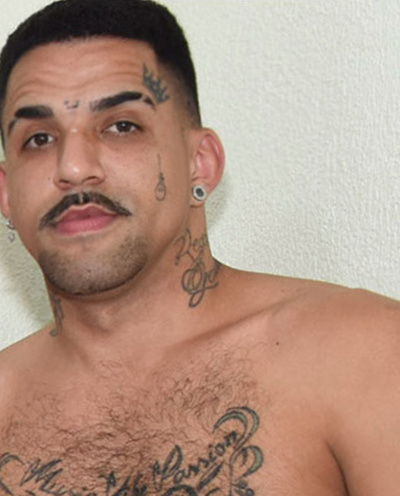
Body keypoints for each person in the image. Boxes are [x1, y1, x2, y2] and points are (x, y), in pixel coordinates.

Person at [0, 0, 399, 494]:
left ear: (200, 163)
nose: (74, 167)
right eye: (39, 139)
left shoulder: (360, 353)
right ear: (7, 194)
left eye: (122, 126)